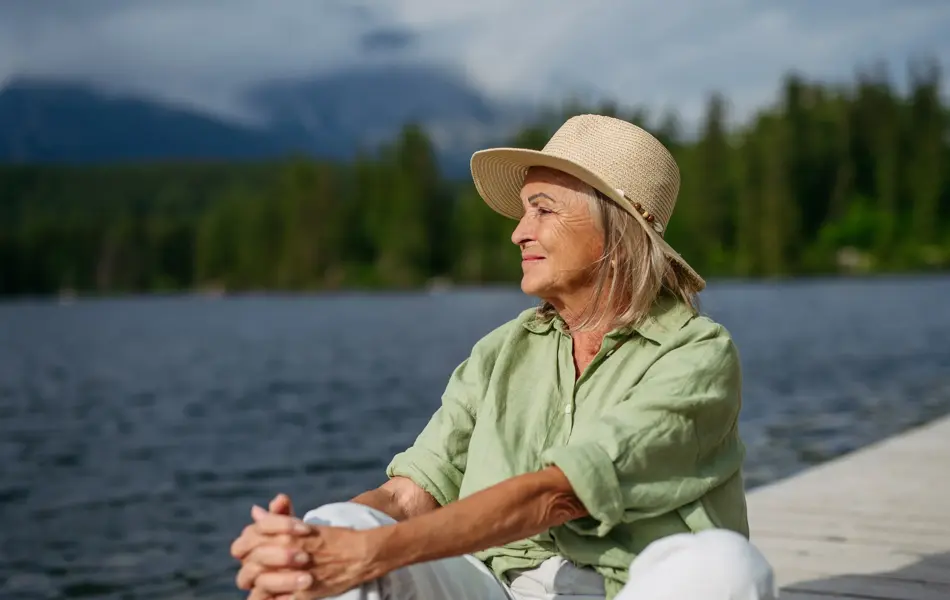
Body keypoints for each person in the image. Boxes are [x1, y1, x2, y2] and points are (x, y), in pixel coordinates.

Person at [229, 114, 778, 600]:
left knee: (726, 567)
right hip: (497, 590)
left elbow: (562, 494)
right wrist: (306, 544)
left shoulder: (695, 353)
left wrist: (373, 551)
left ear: (617, 227)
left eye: (543, 211)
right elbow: (409, 492)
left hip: (629, 588)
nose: (519, 233)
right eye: (522, 213)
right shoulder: (500, 352)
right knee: (343, 520)